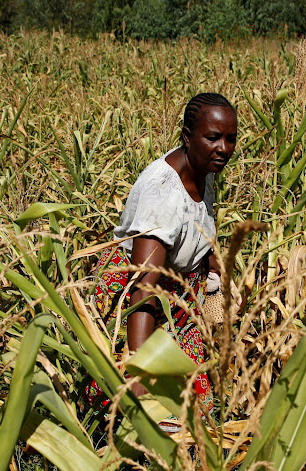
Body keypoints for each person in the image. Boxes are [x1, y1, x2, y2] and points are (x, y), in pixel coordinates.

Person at [87, 93, 237, 429]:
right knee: (140, 403)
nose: (224, 149)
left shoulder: (204, 166)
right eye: (213, 138)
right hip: (137, 297)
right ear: (187, 137)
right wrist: (140, 366)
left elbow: (199, 219)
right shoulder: (163, 195)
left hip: (176, 292)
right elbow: (143, 286)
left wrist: (209, 259)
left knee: (194, 404)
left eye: (230, 139)